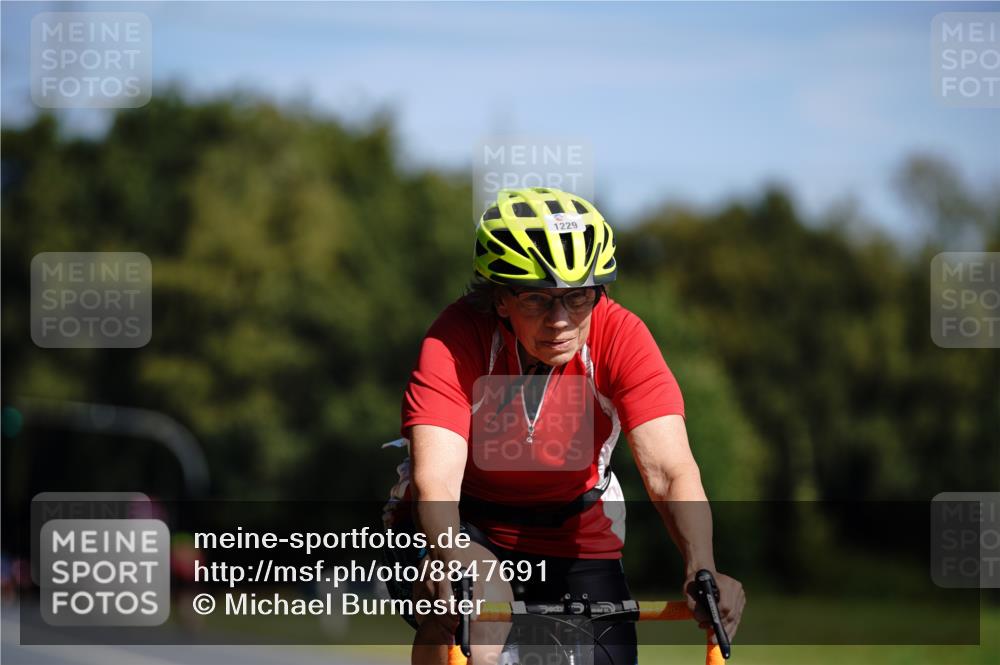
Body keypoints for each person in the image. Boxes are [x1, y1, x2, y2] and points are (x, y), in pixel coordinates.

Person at [382, 187, 745, 665]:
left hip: (575, 534)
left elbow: (670, 471)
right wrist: (450, 553)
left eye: (577, 299)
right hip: (465, 524)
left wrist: (703, 566)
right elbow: (437, 481)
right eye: (537, 299)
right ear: (500, 299)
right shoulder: (456, 338)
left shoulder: (622, 336)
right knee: (478, 605)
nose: (560, 321)